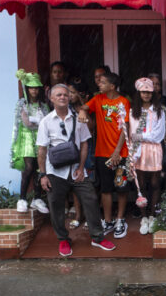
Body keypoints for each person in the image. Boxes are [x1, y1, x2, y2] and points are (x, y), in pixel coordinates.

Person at [37, 83, 116, 257]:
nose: (62, 97)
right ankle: (63, 239)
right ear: (51, 99)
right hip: (55, 172)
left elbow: (84, 144)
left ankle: (97, 237)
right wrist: (43, 175)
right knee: (56, 205)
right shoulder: (46, 122)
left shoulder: (78, 118)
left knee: (91, 200)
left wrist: (81, 168)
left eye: (65, 94)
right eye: (58, 95)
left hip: (77, 170)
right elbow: (42, 150)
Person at [78, 70, 131, 238]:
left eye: (102, 82)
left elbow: (125, 128)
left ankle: (120, 219)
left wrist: (117, 152)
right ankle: (108, 221)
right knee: (106, 189)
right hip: (101, 153)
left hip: (120, 153)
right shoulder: (98, 99)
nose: (98, 84)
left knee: (121, 188)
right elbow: (85, 107)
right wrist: (82, 111)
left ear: (112, 86)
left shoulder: (123, 102)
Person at [129, 77, 166, 233]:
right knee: (141, 185)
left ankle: (153, 215)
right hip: (139, 151)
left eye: (149, 92)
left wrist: (142, 136)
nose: (146, 95)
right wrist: (142, 136)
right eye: (143, 92)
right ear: (139, 93)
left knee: (155, 184)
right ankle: (144, 217)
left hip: (154, 151)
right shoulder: (134, 111)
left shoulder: (159, 111)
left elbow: (158, 135)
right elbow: (133, 133)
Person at [10, 70, 49, 214]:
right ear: (27, 88)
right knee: (28, 168)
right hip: (26, 137)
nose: (34, 90)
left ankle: (37, 198)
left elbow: (46, 123)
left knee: (39, 168)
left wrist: (38, 121)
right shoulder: (22, 104)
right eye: (31, 87)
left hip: (40, 138)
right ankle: (22, 198)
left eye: (36, 87)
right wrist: (36, 120)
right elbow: (26, 124)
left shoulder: (43, 106)